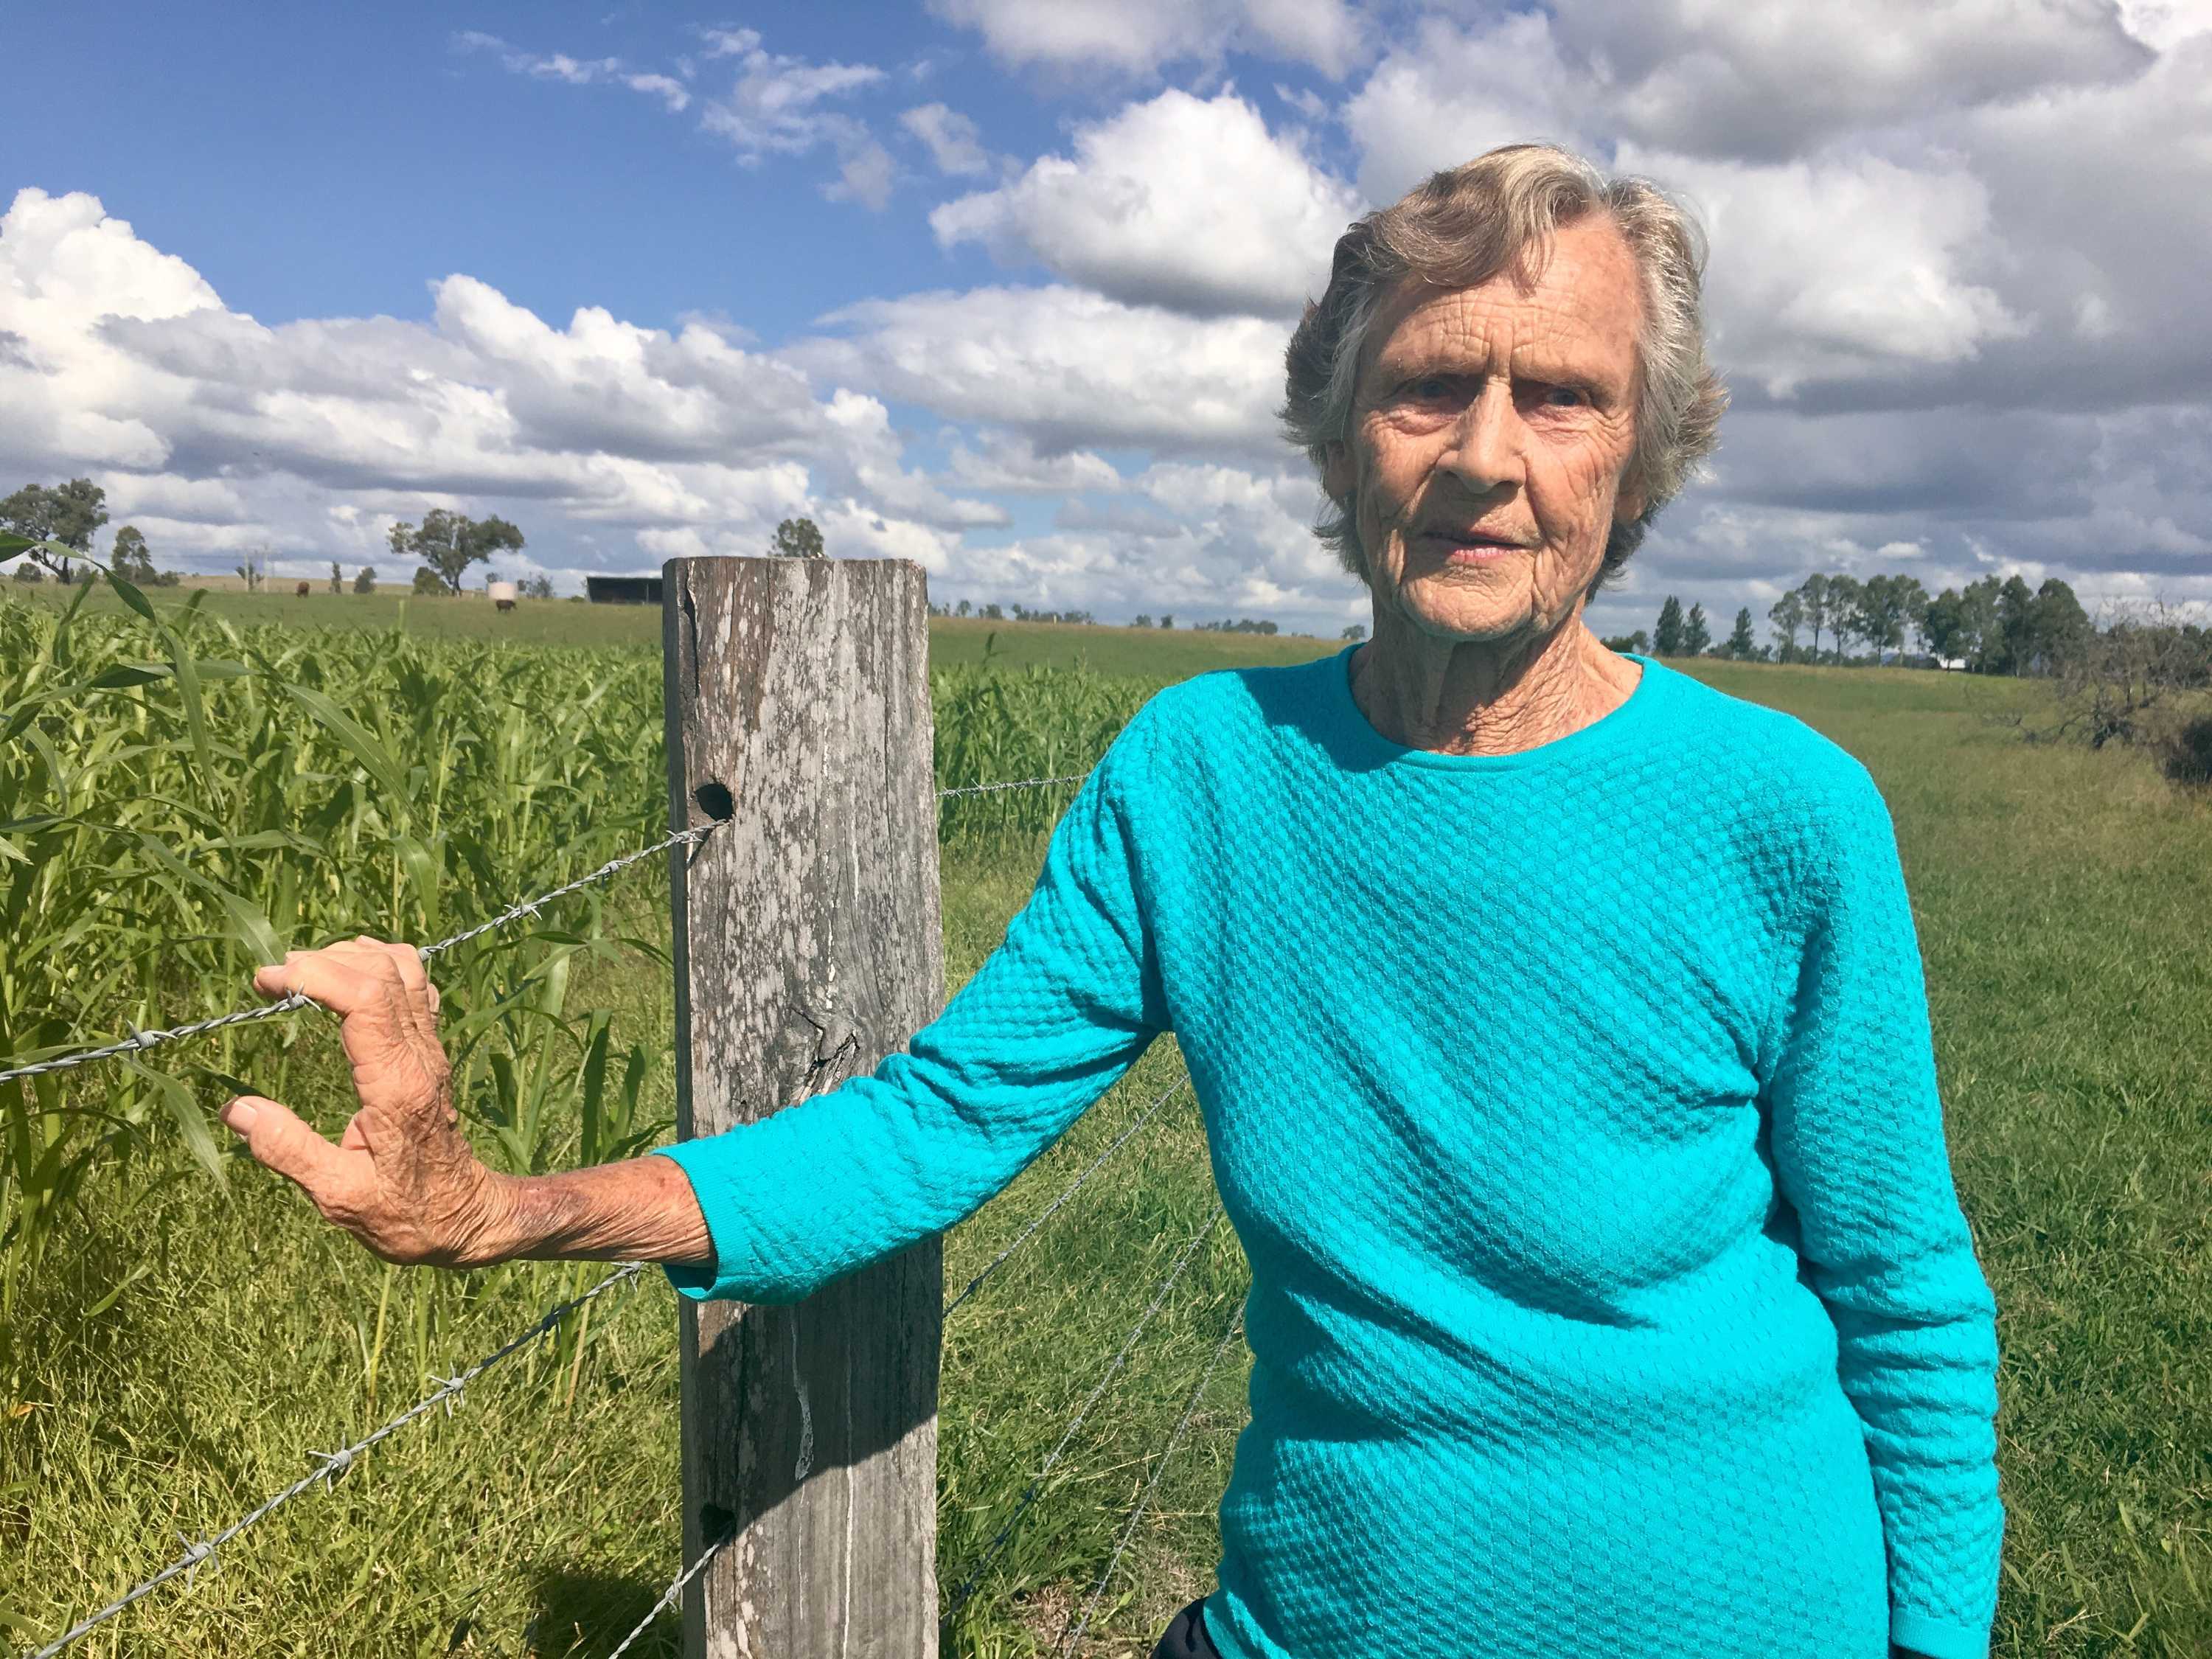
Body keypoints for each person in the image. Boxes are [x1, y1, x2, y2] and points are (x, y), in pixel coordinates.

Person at [218, 145, 2003, 1659]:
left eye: (1560, 396)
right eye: (1425, 387)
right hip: (1312, 1612)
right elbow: (939, 1119)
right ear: (1337, 438)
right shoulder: (1204, 770)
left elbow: (1907, 1302)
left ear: (1645, 450)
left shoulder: (1783, 814)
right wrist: (497, 1208)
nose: (1486, 452)